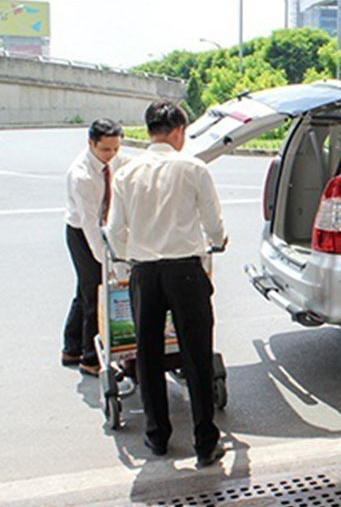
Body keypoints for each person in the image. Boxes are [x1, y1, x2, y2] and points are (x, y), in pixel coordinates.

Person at [105, 100, 227, 466]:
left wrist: (132, 256)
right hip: (186, 272)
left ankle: (157, 437)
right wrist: (218, 241)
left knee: (148, 353)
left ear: (149, 131)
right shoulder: (193, 167)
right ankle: (205, 441)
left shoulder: (126, 172)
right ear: (177, 131)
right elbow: (213, 222)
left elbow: (113, 231)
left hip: (145, 274)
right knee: (196, 353)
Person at [62, 118, 129, 376]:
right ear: (90, 143)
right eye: (105, 150)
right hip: (81, 232)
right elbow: (89, 225)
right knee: (94, 290)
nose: (111, 155)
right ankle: (90, 359)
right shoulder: (81, 175)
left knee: (84, 288)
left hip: (103, 226)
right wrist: (107, 261)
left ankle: (71, 347)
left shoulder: (116, 159)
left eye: (116, 149)